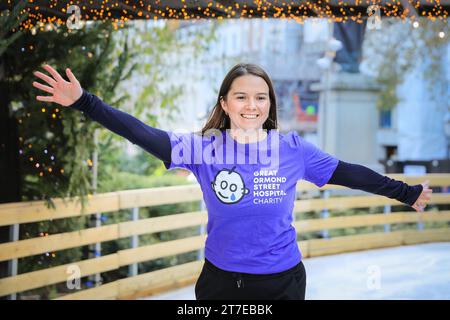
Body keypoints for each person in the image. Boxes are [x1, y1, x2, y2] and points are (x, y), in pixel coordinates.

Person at [33, 63, 432, 300]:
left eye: (261, 97)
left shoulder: (293, 150)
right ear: (225, 104)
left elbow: (351, 174)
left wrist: (406, 192)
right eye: (241, 97)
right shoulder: (204, 148)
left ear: (270, 105)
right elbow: (142, 133)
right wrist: (86, 102)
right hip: (221, 283)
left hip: (282, 284)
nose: (251, 105)